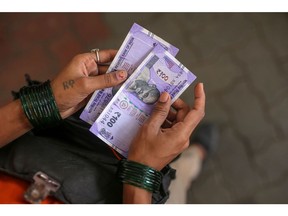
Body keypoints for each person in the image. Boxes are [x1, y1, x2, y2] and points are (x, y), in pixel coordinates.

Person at [0, 49, 205, 204]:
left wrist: (45, 103)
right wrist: (142, 173)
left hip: (47, 143)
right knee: (177, 182)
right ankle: (193, 159)